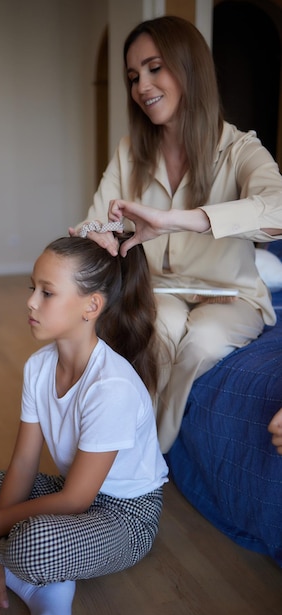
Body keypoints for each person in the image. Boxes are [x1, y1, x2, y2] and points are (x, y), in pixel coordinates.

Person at [0, 233, 169, 615]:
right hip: (70, 495)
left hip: (124, 516)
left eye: (47, 293)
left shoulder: (112, 386)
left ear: (92, 306)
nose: (31, 302)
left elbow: (75, 503)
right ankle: (31, 580)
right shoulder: (38, 366)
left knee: (34, 541)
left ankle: (32, 574)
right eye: (32, 288)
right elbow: (22, 466)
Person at [70, 15, 282, 453]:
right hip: (161, 292)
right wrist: (96, 236)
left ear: (188, 68)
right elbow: (96, 219)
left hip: (232, 296)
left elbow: (278, 210)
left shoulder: (240, 149)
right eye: (133, 76)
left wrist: (175, 219)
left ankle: (147, 455)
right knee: (158, 331)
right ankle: (119, 453)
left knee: (202, 343)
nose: (141, 86)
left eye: (154, 67)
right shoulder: (131, 152)